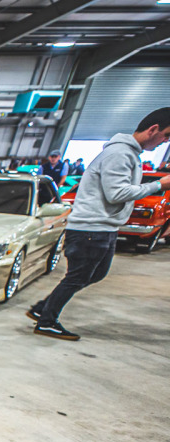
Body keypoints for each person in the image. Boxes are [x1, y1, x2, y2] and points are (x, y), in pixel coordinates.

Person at [29, 108, 170, 341]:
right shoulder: (120, 154)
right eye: (166, 135)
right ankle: (46, 321)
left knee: (95, 274)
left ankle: (43, 308)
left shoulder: (129, 154)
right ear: (153, 129)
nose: (165, 142)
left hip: (104, 227)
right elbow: (117, 194)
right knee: (77, 277)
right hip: (91, 228)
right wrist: (159, 185)